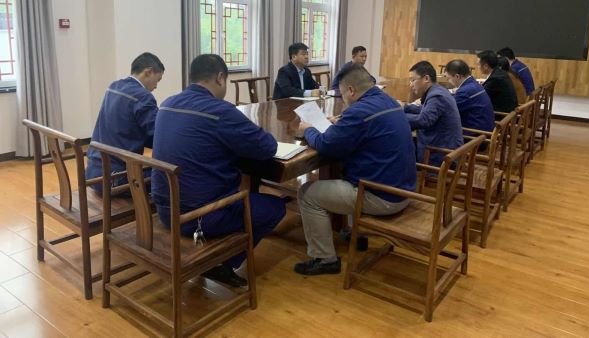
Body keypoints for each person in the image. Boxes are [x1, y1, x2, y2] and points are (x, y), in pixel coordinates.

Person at [151, 54, 285, 287]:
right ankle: (222, 263)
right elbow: (268, 147)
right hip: (198, 218)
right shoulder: (219, 110)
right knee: (275, 207)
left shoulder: (167, 104)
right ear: (221, 78)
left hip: (164, 208)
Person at [294, 64, 416, 276]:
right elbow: (367, 124)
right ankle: (353, 233)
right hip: (404, 189)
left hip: (383, 198)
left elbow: (327, 145)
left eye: (342, 94)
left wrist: (308, 130)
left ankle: (325, 259)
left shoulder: (359, 112)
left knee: (307, 194)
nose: (343, 100)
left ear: (351, 90)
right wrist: (341, 121)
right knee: (349, 173)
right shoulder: (387, 100)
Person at [85, 52, 164, 193]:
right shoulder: (143, 97)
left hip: (93, 172)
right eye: (157, 80)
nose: (156, 86)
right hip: (116, 178)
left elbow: (129, 129)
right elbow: (158, 136)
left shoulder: (113, 86)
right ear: (148, 72)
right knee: (169, 176)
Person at [403, 61, 463, 165]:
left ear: (426, 78)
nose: (410, 84)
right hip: (446, 148)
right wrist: (405, 107)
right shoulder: (438, 90)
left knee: (400, 149)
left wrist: (398, 116)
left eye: (413, 80)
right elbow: (426, 110)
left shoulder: (437, 96)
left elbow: (424, 120)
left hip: (442, 157)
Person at [445, 59, 495, 133]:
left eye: (448, 78)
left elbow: (446, 110)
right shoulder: (474, 84)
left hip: (476, 136)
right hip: (485, 129)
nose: (449, 81)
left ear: (457, 76)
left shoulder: (465, 92)